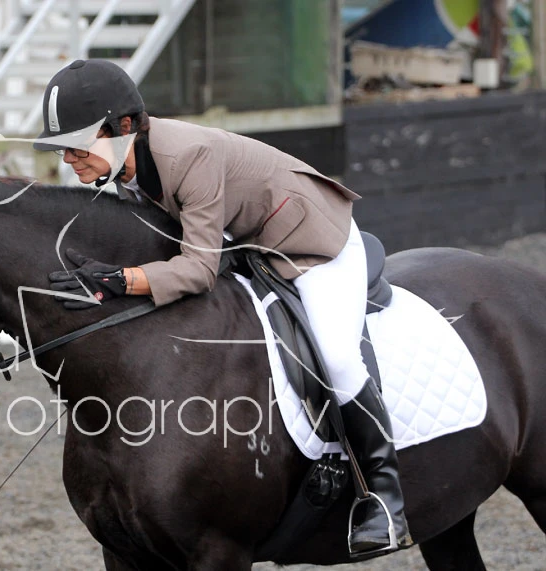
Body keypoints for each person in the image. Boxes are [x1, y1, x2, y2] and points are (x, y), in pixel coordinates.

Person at [35, 59, 412, 554]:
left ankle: (383, 495)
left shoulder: (188, 155)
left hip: (313, 244)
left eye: (78, 144)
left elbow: (197, 270)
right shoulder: (125, 167)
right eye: (62, 147)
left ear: (123, 127)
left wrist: (123, 280)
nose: (68, 158)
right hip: (249, 246)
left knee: (338, 357)